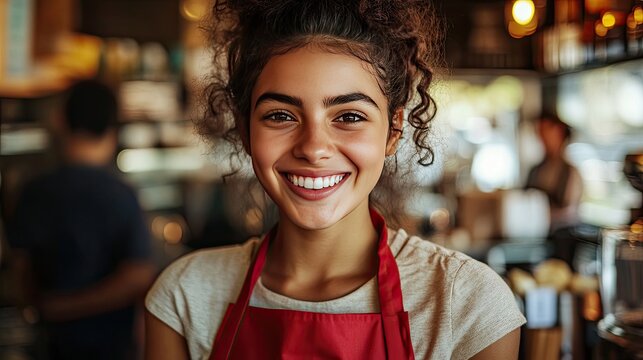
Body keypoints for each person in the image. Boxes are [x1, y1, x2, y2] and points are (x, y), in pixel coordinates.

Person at [145, 1, 526, 359]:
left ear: (393, 131)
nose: (313, 148)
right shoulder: (185, 298)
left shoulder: (467, 303)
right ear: (245, 130)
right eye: (281, 115)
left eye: (349, 116)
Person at [7, 80, 156, 360]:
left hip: (51, 348)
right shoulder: (122, 196)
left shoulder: (33, 193)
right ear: (112, 129)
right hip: (113, 350)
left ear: (61, 122)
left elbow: (20, 275)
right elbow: (138, 276)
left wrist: (54, 307)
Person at [526, 114, 583, 233]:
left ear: (559, 132)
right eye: (539, 133)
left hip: (562, 238)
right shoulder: (536, 170)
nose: (541, 139)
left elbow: (567, 211)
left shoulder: (570, 172)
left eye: (545, 133)